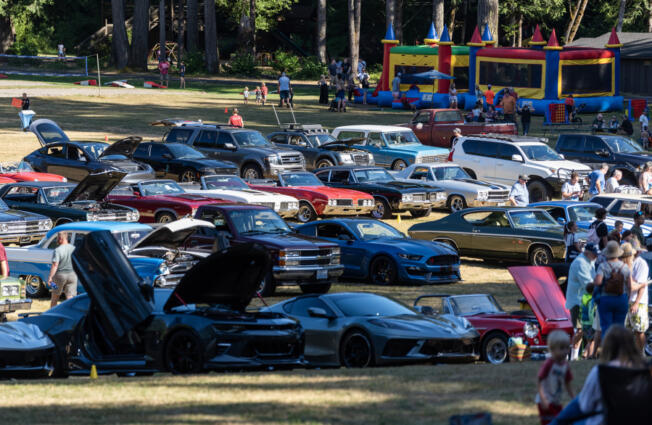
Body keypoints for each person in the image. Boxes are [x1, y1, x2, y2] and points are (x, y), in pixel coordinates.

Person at [567, 242, 598, 359]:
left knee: (588, 331)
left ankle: (583, 354)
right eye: (594, 254)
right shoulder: (580, 263)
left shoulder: (590, 260)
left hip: (587, 301)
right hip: (577, 302)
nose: (596, 256)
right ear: (587, 252)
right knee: (580, 330)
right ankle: (573, 357)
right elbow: (589, 285)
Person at [535, 330, 574, 425]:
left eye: (566, 348)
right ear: (552, 349)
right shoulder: (549, 364)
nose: (565, 351)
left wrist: (574, 398)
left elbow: (567, 383)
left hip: (556, 401)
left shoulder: (565, 365)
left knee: (560, 420)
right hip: (545, 401)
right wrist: (543, 399)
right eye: (561, 348)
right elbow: (540, 380)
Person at [593, 240, 632, 333]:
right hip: (621, 298)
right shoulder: (625, 267)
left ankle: (607, 346)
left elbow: (598, 282)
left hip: (606, 298)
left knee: (606, 327)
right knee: (620, 328)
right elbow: (629, 285)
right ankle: (618, 346)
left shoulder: (603, 266)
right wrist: (628, 298)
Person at [626, 239, 649, 353]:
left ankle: (641, 353)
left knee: (639, 330)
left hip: (638, 302)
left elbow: (642, 285)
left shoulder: (641, 264)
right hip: (628, 300)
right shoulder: (628, 262)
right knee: (629, 330)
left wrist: (636, 303)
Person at [46, 232, 77, 308]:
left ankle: (52, 315)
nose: (57, 240)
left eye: (57, 238)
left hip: (60, 277)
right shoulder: (73, 248)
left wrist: (50, 277)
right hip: (72, 276)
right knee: (70, 298)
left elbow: (55, 265)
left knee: (55, 297)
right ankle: (70, 315)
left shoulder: (58, 250)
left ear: (60, 238)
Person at [580, 283, 597, 359]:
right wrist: (594, 322)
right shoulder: (591, 300)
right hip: (590, 323)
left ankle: (585, 354)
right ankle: (590, 356)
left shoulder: (584, 297)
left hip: (584, 322)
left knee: (588, 341)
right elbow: (591, 312)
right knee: (592, 341)